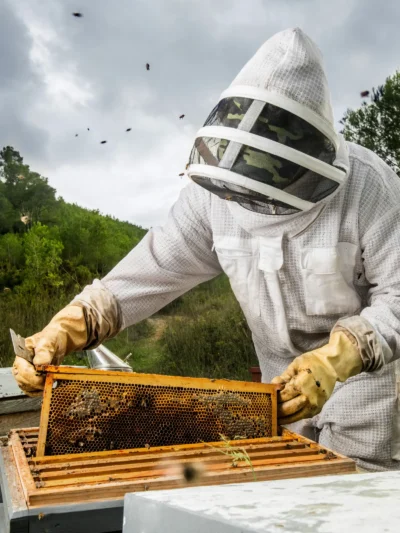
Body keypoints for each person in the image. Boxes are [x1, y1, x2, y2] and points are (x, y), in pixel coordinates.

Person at [12, 28, 400, 471]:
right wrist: (67, 329)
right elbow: (151, 269)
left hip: (368, 393)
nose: (253, 203)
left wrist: (335, 360)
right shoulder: (216, 195)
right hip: (275, 392)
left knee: (359, 507)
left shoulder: (372, 189)